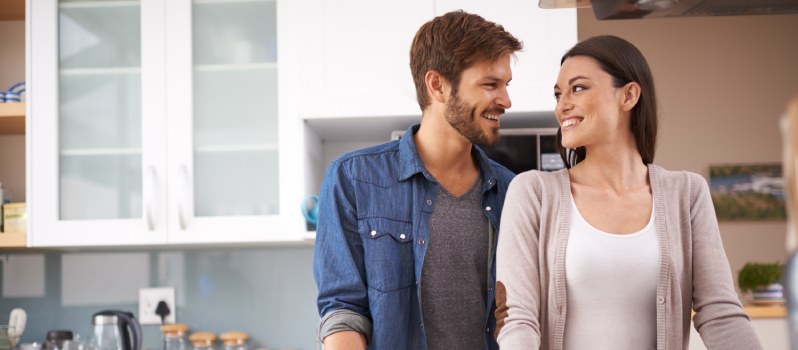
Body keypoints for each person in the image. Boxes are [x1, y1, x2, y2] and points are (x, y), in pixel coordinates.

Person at [493, 35, 763, 350]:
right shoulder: (533, 193)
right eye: (557, 94)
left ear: (629, 95)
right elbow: (517, 319)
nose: (562, 105)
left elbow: (720, 313)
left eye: (578, 88)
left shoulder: (687, 194)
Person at [313, 10, 522, 350]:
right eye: (490, 84)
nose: (506, 100)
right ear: (437, 85)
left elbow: (520, 314)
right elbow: (343, 310)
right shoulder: (353, 179)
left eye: (506, 85)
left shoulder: (512, 192)